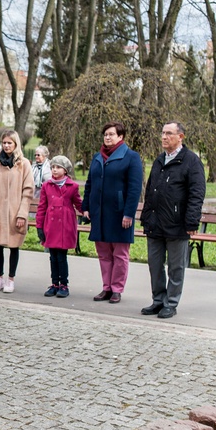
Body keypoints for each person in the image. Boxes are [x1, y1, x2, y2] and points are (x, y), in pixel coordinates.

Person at [139, 121, 206, 319]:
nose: (164, 137)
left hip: (177, 224)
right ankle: (158, 300)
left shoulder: (191, 161)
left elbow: (197, 193)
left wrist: (192, 221)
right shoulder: (160, 160)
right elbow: (151, 191)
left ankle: (171, 302)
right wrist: (147, 217)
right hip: (155, 222)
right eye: (162, 133)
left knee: (176, 267)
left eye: (169, 133)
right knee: (155, 264)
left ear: (180, 137)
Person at [81, 121, 143, 304]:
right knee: (103, 253)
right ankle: (106, 287)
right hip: (99, 212)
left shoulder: (131, 157)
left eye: (111, 134)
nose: (107, 137)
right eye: (105, 134)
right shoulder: (97, 157)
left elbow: (134, 189)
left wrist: (128, 213)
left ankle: (117, 289)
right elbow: (90, 183)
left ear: (120, 136)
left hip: (119, 213)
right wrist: (86, 206)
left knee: (120, 254)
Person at [0, 131, 34, 294]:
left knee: (14, 245)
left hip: (15, 211)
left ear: (16, 144)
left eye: (9, 143)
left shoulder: (24, 164)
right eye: (4, 143)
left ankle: (11, 279)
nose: (6, 146)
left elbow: (28, 191)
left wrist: (22, 214)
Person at [36, 155, 82, 298]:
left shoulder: (72, 186)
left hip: (65, 226)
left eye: (58, 167)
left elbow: (78, 203)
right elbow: (42, 207)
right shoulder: (46, 186)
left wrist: (86, 212)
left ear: (65, 170)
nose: (54, 170)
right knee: (53, 257)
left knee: (61, 257)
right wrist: (39, 226)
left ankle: (64, 284)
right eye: (53, 167)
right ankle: (54, 283)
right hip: (51, 225)